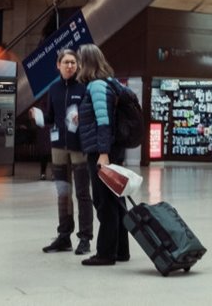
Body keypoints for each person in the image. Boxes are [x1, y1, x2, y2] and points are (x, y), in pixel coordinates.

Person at [75, 43, 131, 266]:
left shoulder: (97, 86)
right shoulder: (108, 83)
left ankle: (106, 253)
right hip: (109, 150)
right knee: (116, 200)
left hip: (102, 153)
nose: (78, 65)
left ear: (86, 62)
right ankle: (120, 250)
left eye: (79, 60)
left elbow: (104, 122)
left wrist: (103, 153)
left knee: (104, 201)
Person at [41, 49, 94, 255]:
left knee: (82, 193)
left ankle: (85, 238)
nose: (70, 66)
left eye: (73, 62)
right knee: (63, 194)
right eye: (66, 62)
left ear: (78, 65)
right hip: (58, 148)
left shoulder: (84, 88)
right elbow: (51, 117)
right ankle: (64, 236)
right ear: (58, 65)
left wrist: (82, 119)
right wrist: (39, 117)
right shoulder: (53, 89)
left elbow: (91, 117)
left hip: (79, 147)